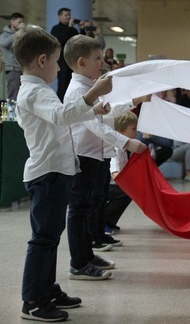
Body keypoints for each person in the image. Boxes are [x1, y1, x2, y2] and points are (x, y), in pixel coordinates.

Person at [14, 25, 112, 322]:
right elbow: (60, 116)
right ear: (42, 61)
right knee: (43, 239)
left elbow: (64, 117)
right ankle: (32, 300)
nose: (59, 68)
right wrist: (93, 94)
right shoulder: (32, 92)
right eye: (57, 62)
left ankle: (48, 289)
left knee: (51, 237)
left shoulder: (40, 91)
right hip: (47, 174)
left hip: (56, 172)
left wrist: (93, 109)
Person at [63, 35, 147, 281]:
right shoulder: (78, 90)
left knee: (91, 206)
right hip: (84, 155)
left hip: (97, 155)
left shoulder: (90, 87)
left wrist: (134, 101)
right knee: (79, 210)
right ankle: (79, 263)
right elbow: (94, 127)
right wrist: (126, 141)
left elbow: (106, 116)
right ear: (81, 62)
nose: (102, 63)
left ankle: (87, 255)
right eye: (97, 58)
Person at [105, 111, 139, 234]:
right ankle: (103, 221)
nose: (136, 132)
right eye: (133, 129)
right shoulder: (116, 148)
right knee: (126, 193)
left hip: (111, 184)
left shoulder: (124, 149)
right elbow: (115, 174)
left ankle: (109, 221)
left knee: (129, 192)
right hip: (106, 185)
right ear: (120, 130)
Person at [50, 7, 79, 102]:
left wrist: (82, 29)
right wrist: (69, 28)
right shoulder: (55, 29)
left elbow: (79, 41)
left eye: (69, 15)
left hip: (73, 61)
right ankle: (61, 104)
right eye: (66, 15)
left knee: (73, 84)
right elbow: (59, 41)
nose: (68, 17)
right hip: (62, 61)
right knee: (63, 84)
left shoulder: (73, 30)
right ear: (59, 16)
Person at [0, 12, 24, 100]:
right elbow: (4, 43)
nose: (21, 24)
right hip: (12, 69)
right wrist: (17, 34)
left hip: (22, 69)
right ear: (12, 21)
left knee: (22, 96)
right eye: (19, 22)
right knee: (13, 96)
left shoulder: (20, 35)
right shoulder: (4, 35)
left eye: (22, 22)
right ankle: (11, 113)